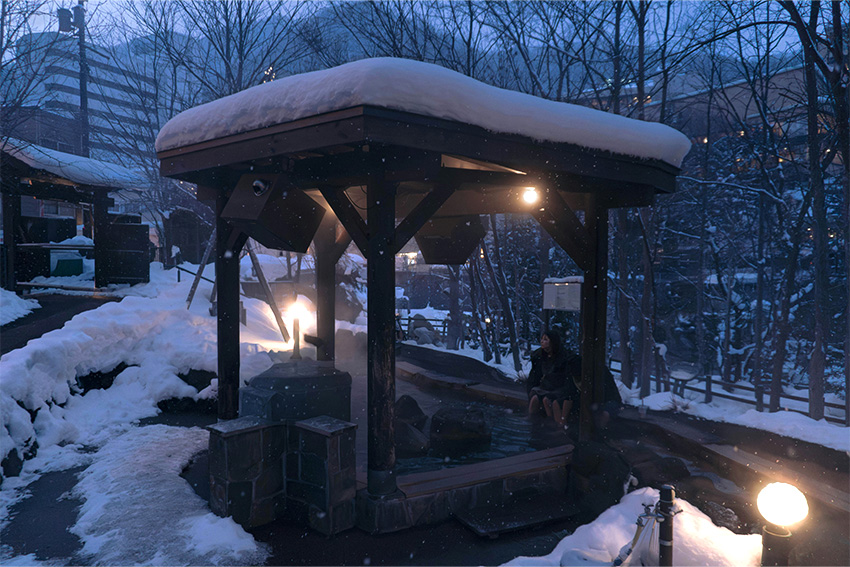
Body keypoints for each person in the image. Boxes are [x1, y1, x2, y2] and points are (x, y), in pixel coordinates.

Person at [526, 330, 582, 426]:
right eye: (542, 339)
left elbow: (564, 378)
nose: (542, 341)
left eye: (545, 339)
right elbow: (535, 375)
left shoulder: (563, 357)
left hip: (558, 388)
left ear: (552, 342)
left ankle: (553, 424)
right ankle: (531, 421)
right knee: (534, 399)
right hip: (546, 387)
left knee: (547, 401)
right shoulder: (540, 356)